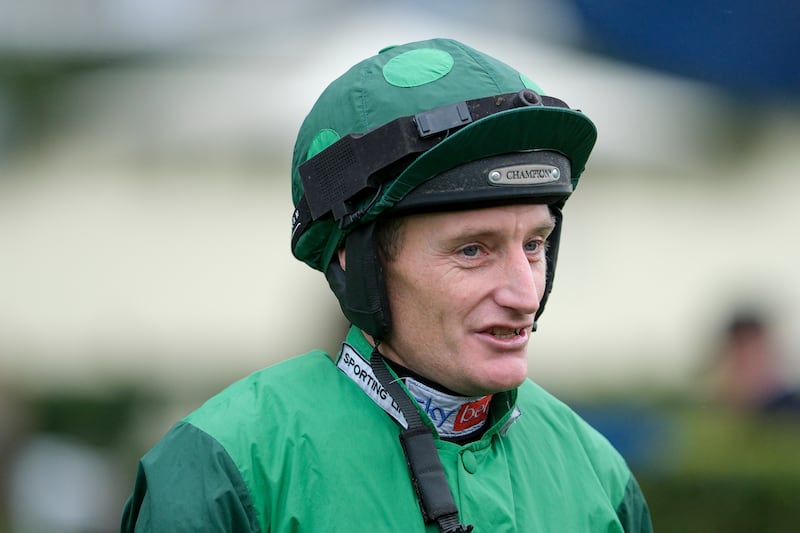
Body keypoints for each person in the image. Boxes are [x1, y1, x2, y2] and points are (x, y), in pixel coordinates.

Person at [120, 38, 653, 532]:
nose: (523, 294)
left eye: (534, 244)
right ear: (360, 265)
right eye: (473, 250)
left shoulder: (599, 473)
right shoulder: (226, 466)